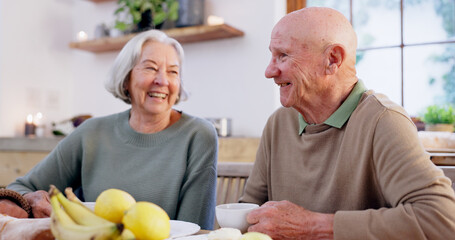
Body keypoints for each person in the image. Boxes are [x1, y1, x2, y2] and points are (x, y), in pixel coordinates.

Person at [239, 7, 455, 239]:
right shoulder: (278, 123)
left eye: (283, 56)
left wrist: (312, 226)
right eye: (271, 56)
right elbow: (249, 209)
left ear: (333, 60)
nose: (269, 71)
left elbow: (441, 219)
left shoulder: (384, 121)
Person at [2, 30, 218, 230]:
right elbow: (19, 188)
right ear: (126, 79)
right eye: (151, 68)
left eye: (173, 72)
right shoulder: (92, 133)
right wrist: (31, 199)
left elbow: (195, 230)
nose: (162, 81)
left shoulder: (199, 136)